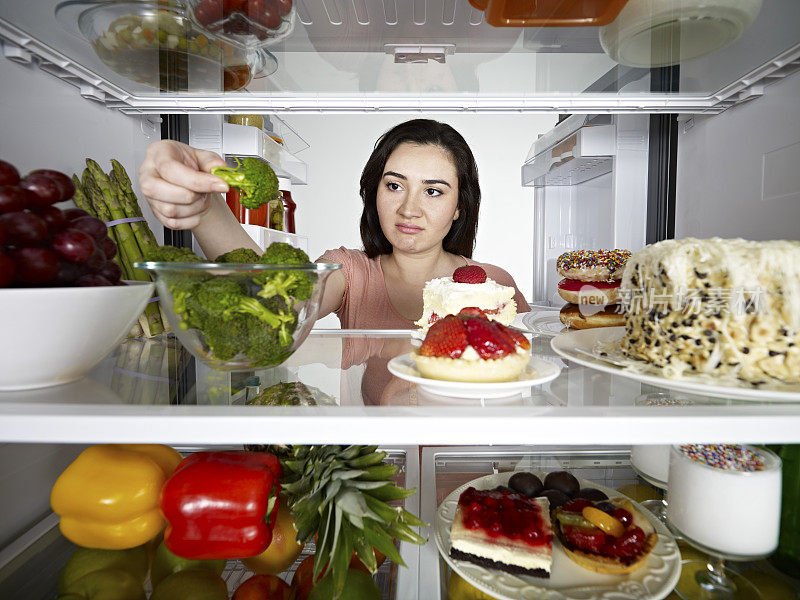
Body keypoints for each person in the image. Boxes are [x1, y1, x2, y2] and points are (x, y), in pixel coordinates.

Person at [139, 119, 531, 329]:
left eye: (433, 191)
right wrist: (206, 208)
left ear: (460, 207)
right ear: (372, 191)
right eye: (394, 185)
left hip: (470, 468)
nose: (409, 208)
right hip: (372, 469)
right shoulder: (349, 273)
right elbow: (278, 307)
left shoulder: (495, 283)